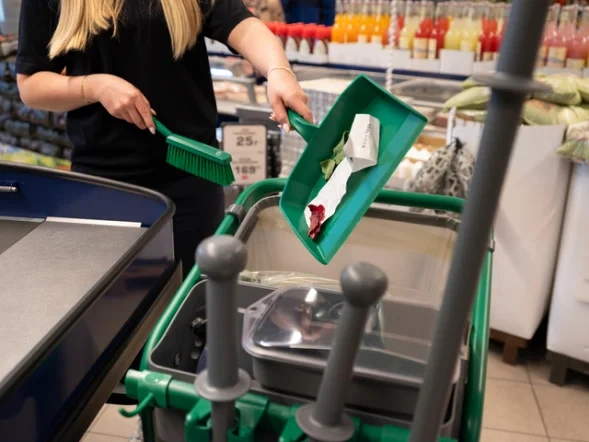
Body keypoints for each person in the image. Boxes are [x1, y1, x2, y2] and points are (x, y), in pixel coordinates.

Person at [16, 0, 313, 277]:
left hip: (192, 179)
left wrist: (278, 71)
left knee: (196, 303)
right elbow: (32, 85)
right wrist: (94, 87)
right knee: (119, 308)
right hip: (105, 188)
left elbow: (244, 27)